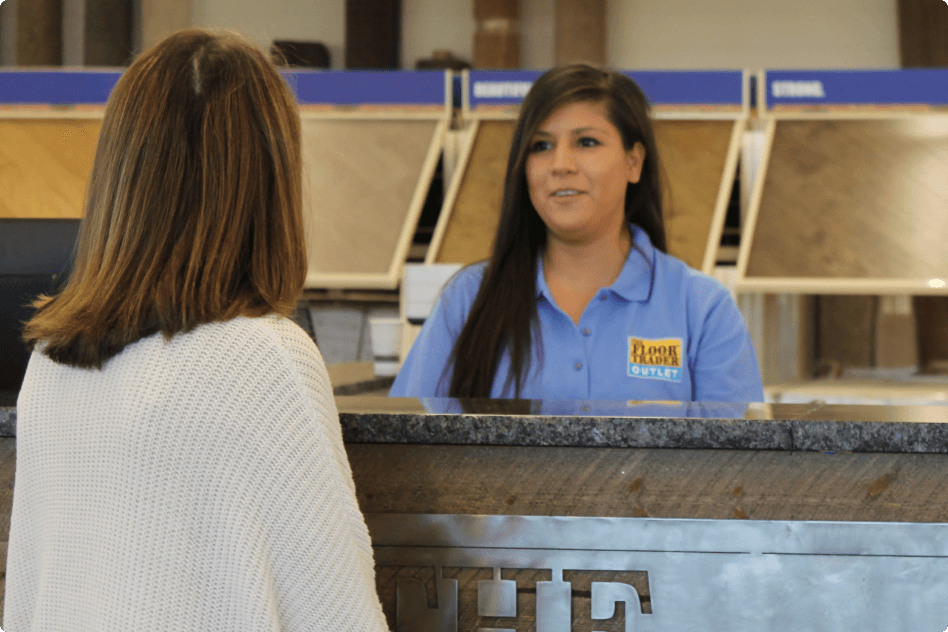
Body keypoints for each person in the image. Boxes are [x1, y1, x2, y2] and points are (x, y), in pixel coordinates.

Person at [5, 29, 389, 631]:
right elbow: (337, 615)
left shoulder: (52, 360)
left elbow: (26, 598)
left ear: (121, 174)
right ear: (268, 181)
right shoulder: (266, 358)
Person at [391, 63, 763, 403]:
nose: (560, 165)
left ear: (633, 162)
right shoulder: (468, 300)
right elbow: (405, 447)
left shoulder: (700, 309)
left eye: (586, 142)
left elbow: (739, 467)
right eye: (542, 146)